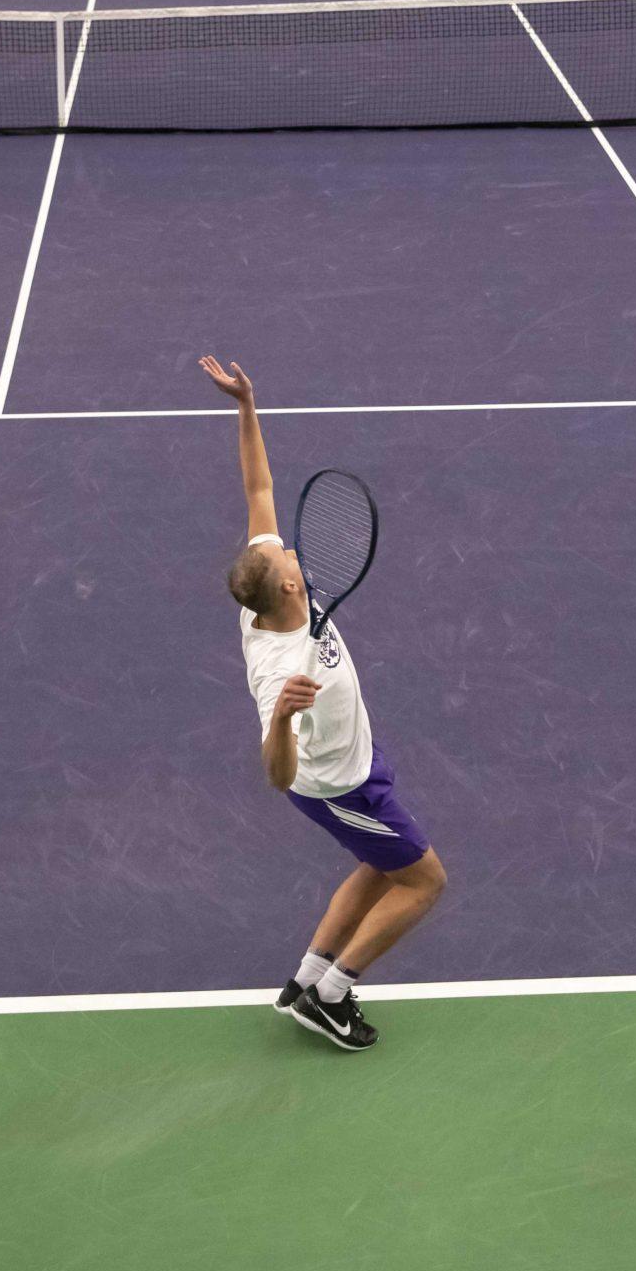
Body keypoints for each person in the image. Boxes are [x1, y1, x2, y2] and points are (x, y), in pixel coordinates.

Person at [198, 355, 449, 1053]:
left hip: (358, 759)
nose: (295, 555)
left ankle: (305, 976)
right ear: (282, 591)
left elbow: (258, 483)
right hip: (338, 784)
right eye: (289, 563)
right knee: (424, 882)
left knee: (381, 865)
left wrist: (245, 403)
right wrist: (280, 718)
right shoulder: (284, 669)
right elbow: (277, 775)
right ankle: (332, 994)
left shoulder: (268, 585)